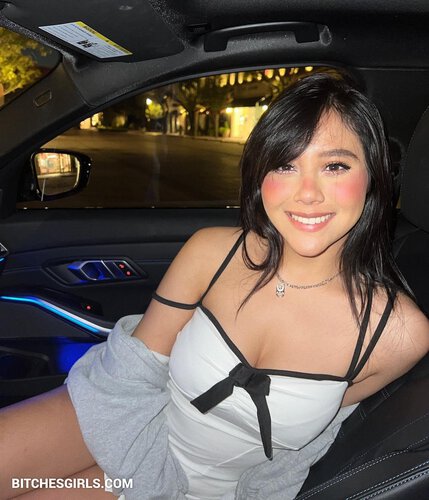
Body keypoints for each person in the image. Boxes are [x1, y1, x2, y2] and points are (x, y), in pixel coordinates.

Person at [1, 73, 428, 500]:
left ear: (374, 176)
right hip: (125, 416)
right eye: (285, 164)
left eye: (335, 166)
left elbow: (305, 451)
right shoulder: (212, 253)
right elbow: (131, 374)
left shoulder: (398, 334)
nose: (308, 193)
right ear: (261, 174)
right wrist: (141, 478)